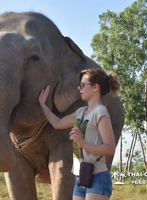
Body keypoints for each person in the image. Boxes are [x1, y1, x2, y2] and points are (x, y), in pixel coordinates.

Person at [39, 68, 120, 200]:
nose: (79, 88)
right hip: (80, 176)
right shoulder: (81, 112)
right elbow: (57, 123)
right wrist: (42, 104)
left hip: (98, 177)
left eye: (82, 85)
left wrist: (83, 144)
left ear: (95, 87)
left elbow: (110, 149)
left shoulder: (100, 112)